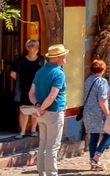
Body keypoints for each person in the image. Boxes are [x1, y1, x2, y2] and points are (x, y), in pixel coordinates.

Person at [29, 44, 68, 176]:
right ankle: (51, 173)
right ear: (58, 58)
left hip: (42, 113)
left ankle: (42, 173)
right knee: (53, 146)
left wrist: (38, 106)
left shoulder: (40, 71)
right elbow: (52, 96)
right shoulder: (58, 73)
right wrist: (42, 108)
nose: (65, 57)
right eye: (64, 55)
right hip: (53, 112)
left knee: (43, 145)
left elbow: (31, 93)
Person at [10, 39, 45, 139]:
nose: (36, 48)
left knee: (35, 109)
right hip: (24, 88)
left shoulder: (42, 60)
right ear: (28, 48)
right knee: (23, 110)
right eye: (33, 46)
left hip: (37, 89)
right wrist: (21, 80)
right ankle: (22, 131)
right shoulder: (20, 61)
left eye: (37, 46)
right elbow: (12, 73)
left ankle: (33, 130)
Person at [82, 59, 110, 171]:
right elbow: (102, 100)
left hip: (88, 112)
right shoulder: (102, 82)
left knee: (94, 136)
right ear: (103, 70)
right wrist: (108, 114)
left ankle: (93, 162)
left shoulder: (88, 80)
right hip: (99, 113)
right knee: (109, 134)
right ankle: (96, 158)